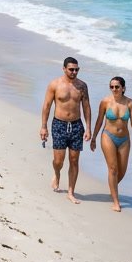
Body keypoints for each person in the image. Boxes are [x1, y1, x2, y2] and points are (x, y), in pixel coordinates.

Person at [39, 57, 91, 204]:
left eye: (77, 69)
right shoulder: (55, 84)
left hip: (76, 125)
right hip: (59, 124)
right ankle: (57, 173)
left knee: (74, 160)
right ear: (64, 69)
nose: (74, 72)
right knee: (58, 161)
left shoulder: (82, 86)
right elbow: (47, 105)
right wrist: (44, 126)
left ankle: (70, 192)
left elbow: (86, 107)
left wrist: (88, 128)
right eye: (71, 69)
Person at [90, 76, 132, 212]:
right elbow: (99, 121)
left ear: (123, 88)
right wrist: (94, 138)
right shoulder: (105, 102)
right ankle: (116, 202)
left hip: (124, 139)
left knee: (122, 171)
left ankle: (112, 187)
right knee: (113, 169)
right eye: (111, 87)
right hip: (108, 136)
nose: (114, 89)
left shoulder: (130, 103)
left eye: (117, 87)